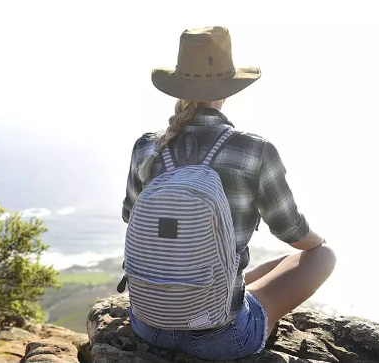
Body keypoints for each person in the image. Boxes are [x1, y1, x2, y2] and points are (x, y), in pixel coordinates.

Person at [120, 26, 336, 361]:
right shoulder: (254, 150)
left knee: (260, 269)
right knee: (321, 256)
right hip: (220, 338)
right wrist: (318, 242)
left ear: (177, 87)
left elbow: (130, 217)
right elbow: (292, 232)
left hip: (148, 324)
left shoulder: (147, 147)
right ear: (227, 89)